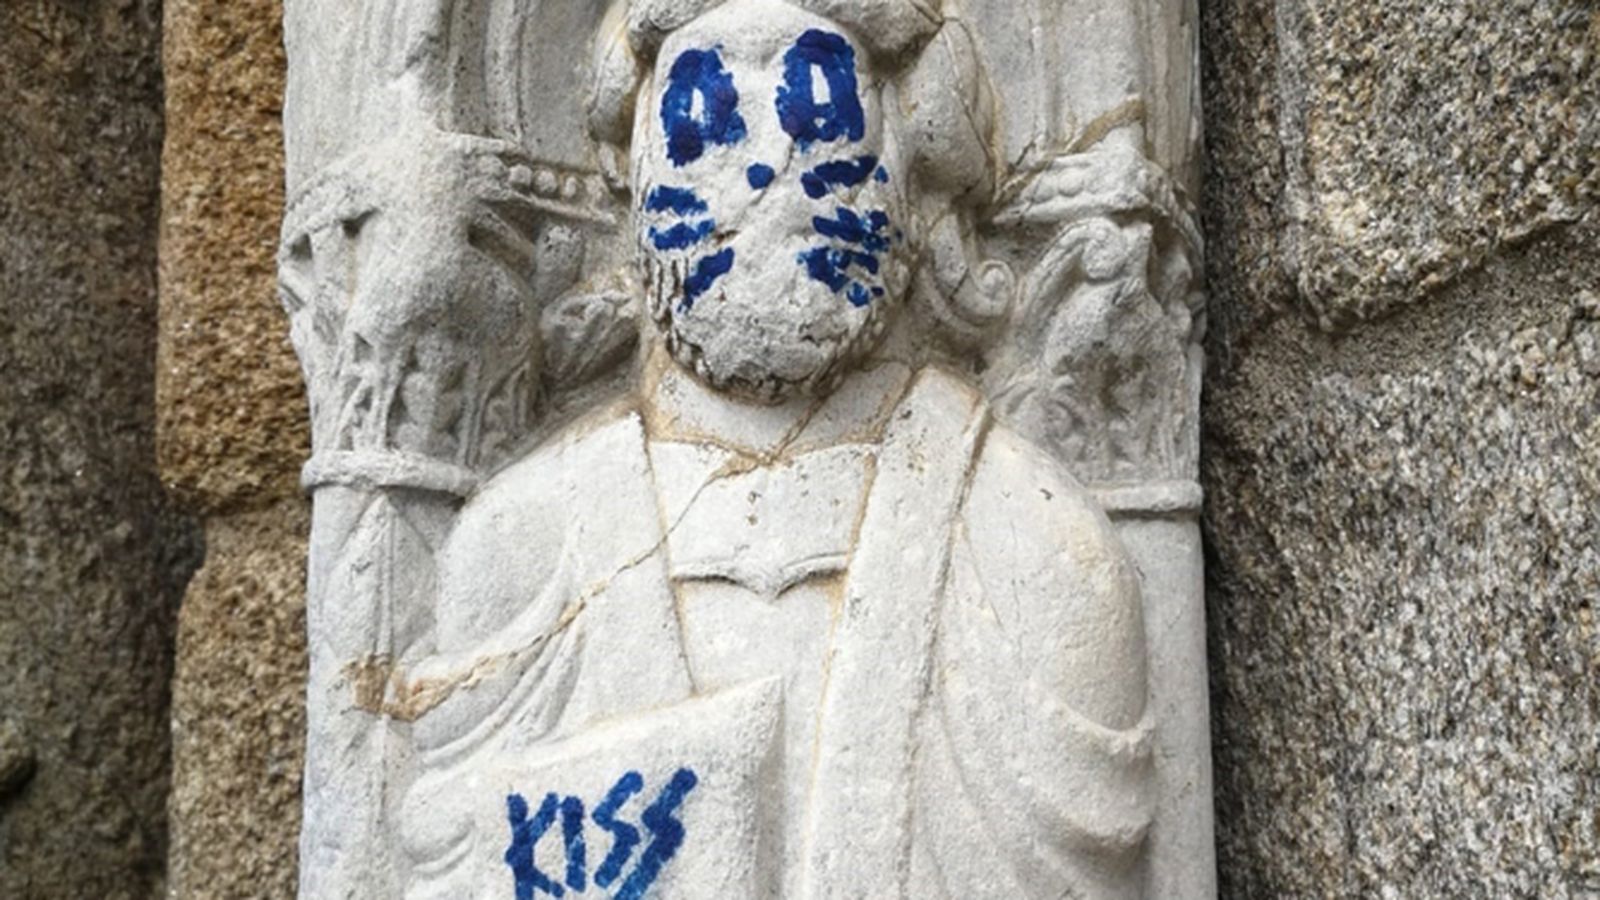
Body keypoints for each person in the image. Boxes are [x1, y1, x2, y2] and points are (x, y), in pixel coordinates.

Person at [399, 1, 1154, 895]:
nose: (763, 169)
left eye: (816, 118)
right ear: (630, 172)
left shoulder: (1033, 544)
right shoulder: (519, 545)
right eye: (703, 121)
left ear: (914, 168)